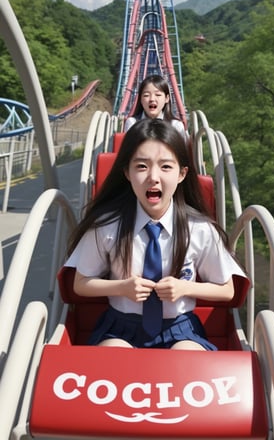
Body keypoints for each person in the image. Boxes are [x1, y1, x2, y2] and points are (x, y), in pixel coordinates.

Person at [65, 119, 246, 351]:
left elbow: (227, 289)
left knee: (187, 358)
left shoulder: (199, 228)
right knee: (113, 357)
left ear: (182, 174)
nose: (153, 177)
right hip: (121, 327)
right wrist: (121, 288)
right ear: (127, 173)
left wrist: (185, 288)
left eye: (166, 167)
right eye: (141, 166)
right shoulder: (106, 226)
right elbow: (81, 284)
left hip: (180, 329)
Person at [124, 74, 187, 138]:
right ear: (140, 99)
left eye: (158, 95)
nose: (152, 99)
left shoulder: (175, 126)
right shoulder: (132, 123)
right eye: (146, 95)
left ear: (167, 98)